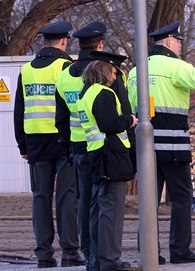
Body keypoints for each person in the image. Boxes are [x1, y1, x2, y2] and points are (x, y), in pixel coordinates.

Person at [127, 21, 195, 264]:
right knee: (182, 198)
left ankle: (148, 251)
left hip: (144, 149)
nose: (179, 46)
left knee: (149, 201)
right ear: (167, 42)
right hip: (173, 146)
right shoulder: (173, 66)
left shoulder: (135, 71)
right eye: (178, 41)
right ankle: (180, 250)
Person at [13, 20, 85, 268]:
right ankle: (70, 253)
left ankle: (44, 255)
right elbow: (73, 104)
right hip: (62, 141)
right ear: (64, 40)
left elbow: (19, 110)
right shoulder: (66, 67)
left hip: (35, 142)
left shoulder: (27, 70)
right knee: (67, 197)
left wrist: (22, 145)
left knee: (40, 198)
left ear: (43, 41)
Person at [76, 51, 137, 271]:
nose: (115, 76)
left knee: (98, 211)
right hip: (111, 156)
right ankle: (110, 261)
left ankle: (96, 260)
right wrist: (130, 120)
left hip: (97, 155)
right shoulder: (104, 94)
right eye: (113, 71)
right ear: (104, 70)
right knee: (111, 212)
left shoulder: (87, 93)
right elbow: (110, 124)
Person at [55, 21, 108, 270]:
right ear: (100, 44)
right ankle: (103, 253)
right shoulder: (105, 71)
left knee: (83, 201)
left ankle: (87, 250)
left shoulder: (64, 75)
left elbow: (61, 118)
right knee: (104, 203)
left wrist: (65, 144)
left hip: (77, 146)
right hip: (102, 146)